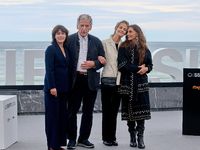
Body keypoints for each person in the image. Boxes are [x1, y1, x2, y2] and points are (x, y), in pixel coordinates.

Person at [67, 14, 106, 149]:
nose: (84, 28)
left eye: (86, 26)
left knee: (88, 112)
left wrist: (93, 64)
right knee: (71, 112)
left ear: (90, 27)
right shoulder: (68, 40)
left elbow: (102, 61)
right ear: (77, 26)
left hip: (91, 81)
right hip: (74, 80)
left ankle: (83, 139)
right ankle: (71, 139)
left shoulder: (96, 41)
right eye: (81, 25)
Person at [118, 24, 153, 149]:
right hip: (127, 84)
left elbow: (150, 65)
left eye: (130, 31)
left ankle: (140, 137)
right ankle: (132, 136)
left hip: (141, 84)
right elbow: (122, 65)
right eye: (127, 32)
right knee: (130, 113)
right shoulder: (123, 47)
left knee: (141, 114)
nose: (127, 34)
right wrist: (139, 68)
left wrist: (146, 69)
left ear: (137, 33)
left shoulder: (145, 48)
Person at [101, 20, 129, 146]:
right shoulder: (104, 43)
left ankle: (113, 137)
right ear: (116, 28)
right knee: (107, 110)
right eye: (120, 28)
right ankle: (106, 137)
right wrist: (98, 58)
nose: (122, 30)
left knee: (114, 110)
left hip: (120, 81)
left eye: (124, 29)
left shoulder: (124, 45)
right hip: (107, 80)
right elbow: (98, 56)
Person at [43, 25, 70, 150]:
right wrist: (52, 87)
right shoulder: (51, 49)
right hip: (53, 89)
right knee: (52, 117)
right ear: (54, 36)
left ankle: (58, 144)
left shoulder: (66, 48)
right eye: (58, 33)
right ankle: (51, 145)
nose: (61, 35)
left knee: (61, 117)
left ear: (66, 35)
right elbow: (49, 69)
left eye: (63, 33)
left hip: (64, 88)